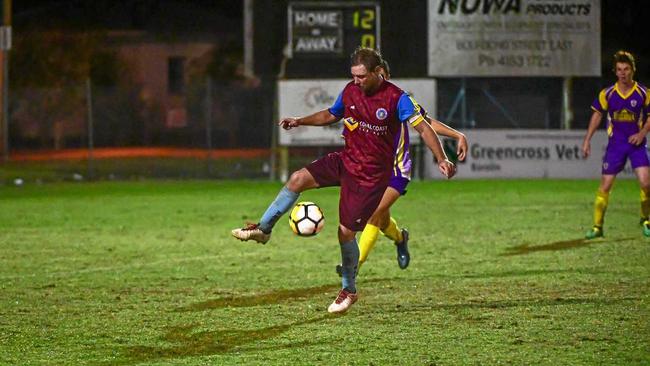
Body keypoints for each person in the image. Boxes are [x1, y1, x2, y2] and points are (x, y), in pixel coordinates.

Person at [231, 47, 456, 314]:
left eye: (361, 76)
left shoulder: (397, 98)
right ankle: (263, 230)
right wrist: (299, 121)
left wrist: (441, 157)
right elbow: (330, 114)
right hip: (346, 160)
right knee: (297, 178)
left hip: (370, 176)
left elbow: (424, 128)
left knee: (345, 232)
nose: (357, 81)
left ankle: (349, 289)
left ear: (377, 73)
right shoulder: (350, 91)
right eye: (353, 76)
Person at [335, 60, 468, 276]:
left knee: (373, 213)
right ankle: (400, 238)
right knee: (381, 216)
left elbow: (427, 124)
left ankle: (354, 265)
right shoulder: (361, 100)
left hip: (397, 170)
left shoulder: (398, 100)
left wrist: (457, 135)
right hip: (370, 169)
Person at [582, 50, 650, 239]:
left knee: (646, 183)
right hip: (616, 146)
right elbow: (597, 115)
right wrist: (587, 140)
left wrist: (642, 133)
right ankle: (597, 226)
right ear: (615, 71)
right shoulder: (608, 93)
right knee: (605, 186)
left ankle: (646, 219)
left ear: (632, 70)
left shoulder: (644, 93)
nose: (623, 73)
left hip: (637, 144)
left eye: (626, 69)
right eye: (619, 69)